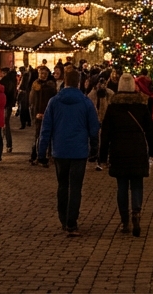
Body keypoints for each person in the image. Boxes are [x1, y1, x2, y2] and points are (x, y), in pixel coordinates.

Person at [38, 68, 100, 237]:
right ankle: (72, 222)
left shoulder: (54, 102)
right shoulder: (86, 102)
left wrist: (41, 151)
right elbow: (94, 128)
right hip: (79, 151)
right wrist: (94, 147)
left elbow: (46, 128)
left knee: (63, 185)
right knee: (76, 187)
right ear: (79, 82)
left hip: (60, 150)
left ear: (65, 81)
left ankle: (63, 219)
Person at [99, 73, 153, 237]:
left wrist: (102, 156)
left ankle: (125, 220)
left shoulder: (113, 107)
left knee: (122, 186)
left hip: (118, 150)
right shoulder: (141, 106)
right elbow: (150, 130)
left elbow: (106, 133)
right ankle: (136, 212)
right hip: (138, 149)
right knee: (137, 183)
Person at [29, 65, 55, 164]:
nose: (42, 75)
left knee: (46, 135)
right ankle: (35, 155)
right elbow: (32, 101)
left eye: (44, 73)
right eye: (41, 73)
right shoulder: (35, 85)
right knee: (37, 135)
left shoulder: (50, 86)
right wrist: (35, 113)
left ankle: (44, 155)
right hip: (38, 113)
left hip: (46, 113)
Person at [88, 74, 114, 169]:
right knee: (94, 139)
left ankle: (103, 158)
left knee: (105, 140)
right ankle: (94, 155)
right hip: (96, 119)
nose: (101, 85)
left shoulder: (110, 93)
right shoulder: (92, 94)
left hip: (106, 120)